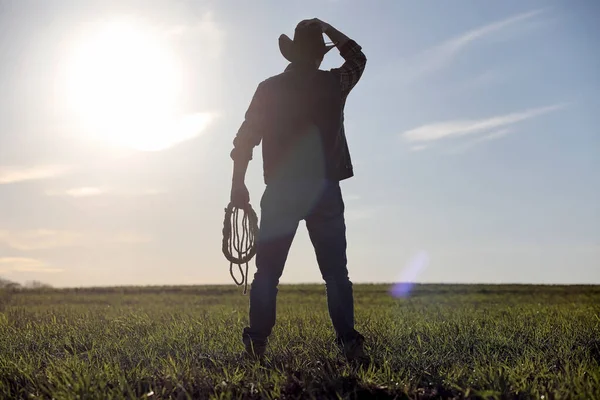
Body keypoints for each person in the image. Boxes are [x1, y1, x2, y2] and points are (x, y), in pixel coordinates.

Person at [229, 18, 367, 361]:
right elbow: (358, 59)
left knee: (267, 273)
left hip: (281, 189)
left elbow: (245, 139)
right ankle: (348, 344)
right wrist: (328, 28)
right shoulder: (335, 83)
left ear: (292, 53)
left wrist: (237, 184)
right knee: (336, 274)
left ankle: (256, 343)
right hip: (323, 188)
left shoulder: (268, 88)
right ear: (319, 55)